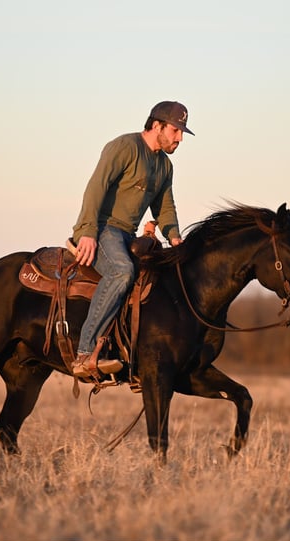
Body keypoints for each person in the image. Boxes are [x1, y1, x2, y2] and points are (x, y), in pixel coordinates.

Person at [70, 101, 194, 378]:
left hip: (128, 235)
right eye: (176, 130)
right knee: (122, 271)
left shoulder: (165, 166)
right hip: (103, 228)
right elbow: (96, 187)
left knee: (158, 280)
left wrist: (175, 237)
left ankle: (135, 358)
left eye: (182, 132)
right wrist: (88, 232)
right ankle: (84, 354)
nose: (180, 138)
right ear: (157, 125)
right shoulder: (124, 147)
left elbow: (165, 207)